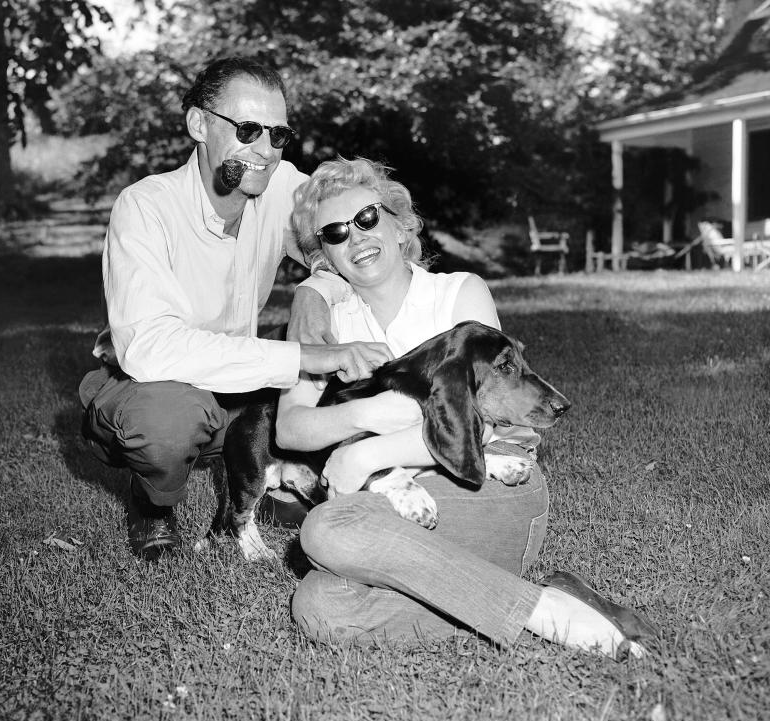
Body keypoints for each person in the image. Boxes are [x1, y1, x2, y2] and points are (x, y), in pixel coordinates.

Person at [280, 157, 656, 660]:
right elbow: (289, 428)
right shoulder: (330, 321)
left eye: (368, 218)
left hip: (488, 485)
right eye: (335, 232)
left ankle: (549, 619)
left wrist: (363, 456)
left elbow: (478, 425)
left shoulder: (458, 293)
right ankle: (538, 601)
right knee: (319, 604)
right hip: (392, 503)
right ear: (324, 253)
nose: (357, 238)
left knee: (325, 529)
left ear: (400, 224)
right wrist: (362, 416)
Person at [79, 58, 390, 561]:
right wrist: (301, 357)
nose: (265, 152)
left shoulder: (280, 185)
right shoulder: (144, 207)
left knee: (336, 382)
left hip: (240, 387)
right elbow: (152, 348)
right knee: (168, 423)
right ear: (199, 124)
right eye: (247, 131)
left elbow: (352, 237)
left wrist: (317, 287)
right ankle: (152, 502)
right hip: (153, 382)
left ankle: (280, 483)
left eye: (278, 135)